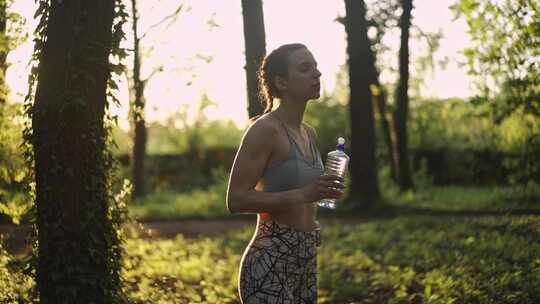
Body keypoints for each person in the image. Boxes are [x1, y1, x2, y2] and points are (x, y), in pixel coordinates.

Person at [226, 43, 345, 303]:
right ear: (281, 82)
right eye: (305, 68)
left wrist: (322, 192)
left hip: (305, 260)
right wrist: (304, 194)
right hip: (269, 261)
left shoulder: (309, 133)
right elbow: (236, 199)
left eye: (315, 67)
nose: (317, 74)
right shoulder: (265, 130)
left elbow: (306, 197)